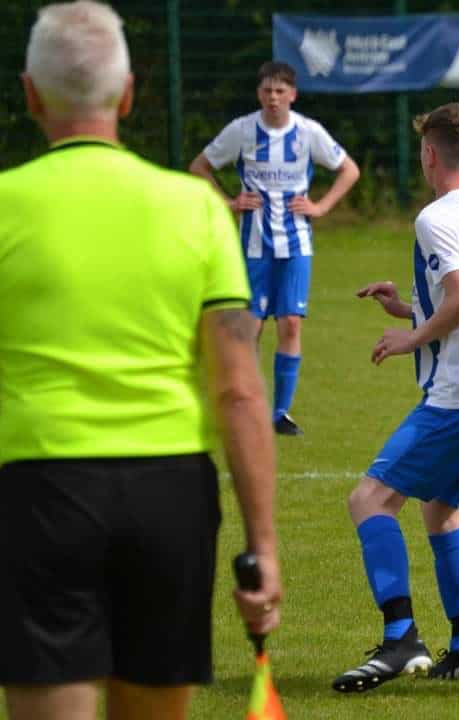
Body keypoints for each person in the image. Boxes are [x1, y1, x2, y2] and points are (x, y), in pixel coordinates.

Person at [0, 3, 281, 719]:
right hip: (169, 493)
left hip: (38, 487)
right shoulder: (195, 209)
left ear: (29, 92)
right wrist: (263, 546)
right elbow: (242, 393)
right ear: (128, 95)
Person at [332, 103, 459, 693]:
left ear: (429, 154)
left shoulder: (434, 217)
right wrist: (411, 306)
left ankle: (401, 640)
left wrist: (409, 336)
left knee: (369, 499)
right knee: (440, 510)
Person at [190, 60, 360, 437]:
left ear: (292, 95)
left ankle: (280, 413)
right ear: (259, 94)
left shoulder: (308, 132)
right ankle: (246, 404)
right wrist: (230, 202)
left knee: (291, 323)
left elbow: (349, 169)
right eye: (267, 90)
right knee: (250, 327)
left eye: (280, 91)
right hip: (254, 244)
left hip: (296, 243)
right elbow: (199, 167)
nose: (273, 97)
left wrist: (321, 207)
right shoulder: (242, 130)